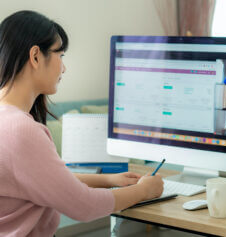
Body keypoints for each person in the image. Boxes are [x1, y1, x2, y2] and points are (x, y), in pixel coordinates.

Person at [0, 11, 163, 237]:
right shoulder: (21, 130)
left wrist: (106, 180)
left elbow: (49, 181)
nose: (63, 68)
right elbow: (85, 206)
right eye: (61, 55)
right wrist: (143, 191)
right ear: (36, 56)